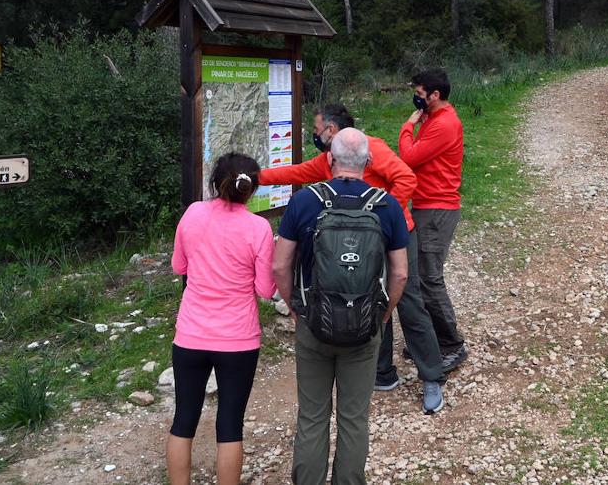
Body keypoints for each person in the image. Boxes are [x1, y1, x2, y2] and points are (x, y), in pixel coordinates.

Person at [258, 103, 445, 413]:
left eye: (317, 130)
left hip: (395, 235)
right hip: (360, 242)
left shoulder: (371, 148)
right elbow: (297, 172)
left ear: (331, 131)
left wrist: (383, 216)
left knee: (409, 302)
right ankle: (382, 372)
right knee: (370, 295)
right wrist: (256, 176)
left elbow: (406, 179)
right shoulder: (332, 159)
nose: (315, 135)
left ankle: (432, 377)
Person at [272, 128, 410, 485]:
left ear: (330, 160)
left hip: (314, 324)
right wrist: (382, 314)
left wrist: (295, 306)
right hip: (365, 327)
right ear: (368, 162)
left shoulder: (303, 202)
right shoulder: (387, 206)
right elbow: (400, 274)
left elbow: (279, 265)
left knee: (313, 417)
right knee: (353, 418)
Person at [167, 153, 275, 485]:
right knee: (230, 423)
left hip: (190, 335)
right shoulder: (259, 228)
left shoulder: (193, 213)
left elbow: (178, 267)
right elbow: (265, 290)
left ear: (215, 182)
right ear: (252, 189)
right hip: (238, 340)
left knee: (184, 418)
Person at [398, 68, 467, 372]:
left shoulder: (445, 123)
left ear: (435, 95)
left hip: (437, 208)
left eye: (419, 92)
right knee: (422, 275)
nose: (416, 97)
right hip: (425, 204)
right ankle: (430, 341)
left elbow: (409, 157)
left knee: (429, 277)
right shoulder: (433, 118)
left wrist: (407, 126)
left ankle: (452, 345)